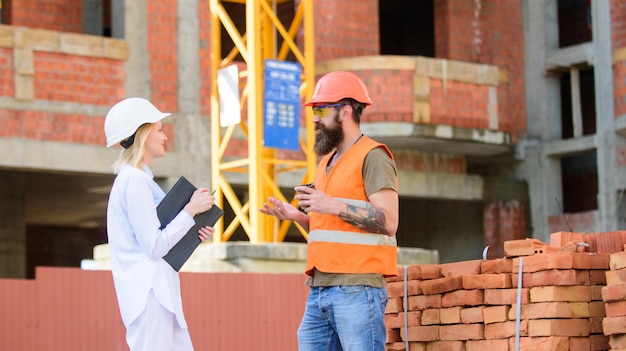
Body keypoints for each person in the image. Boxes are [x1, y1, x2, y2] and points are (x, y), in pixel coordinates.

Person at [260, 71, 399, 350]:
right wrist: (298, 216)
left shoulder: (373, 156)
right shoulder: (326, 162)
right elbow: (331, 228)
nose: (314, 118)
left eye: (321, 110)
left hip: (358, 288)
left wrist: (332, 205)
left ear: (345, 112)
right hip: (320, 288)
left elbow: (389, 221)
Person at [104, 97, 215, 351]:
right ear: (143, 134)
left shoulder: (141, 180)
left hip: (158, 294)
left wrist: (192, 231)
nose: (165, 137)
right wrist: (190, 211)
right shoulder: (134, 181)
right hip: (150, 295)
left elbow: (158, 237)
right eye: (159, 130)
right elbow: (154, 246)